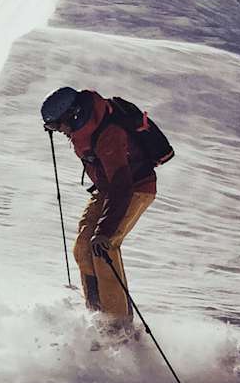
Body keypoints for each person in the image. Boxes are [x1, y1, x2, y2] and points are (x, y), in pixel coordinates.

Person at [40, 87, 157, 327]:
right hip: (109, 190)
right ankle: (96, 315)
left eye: (56, 125)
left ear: (72, 115)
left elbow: (123, 186)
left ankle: (117, 325)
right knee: (83, 247)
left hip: (135, 188)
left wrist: (104, 230)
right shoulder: (83, 130)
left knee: (104, 247)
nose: (58, 131)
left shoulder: (107, 134)